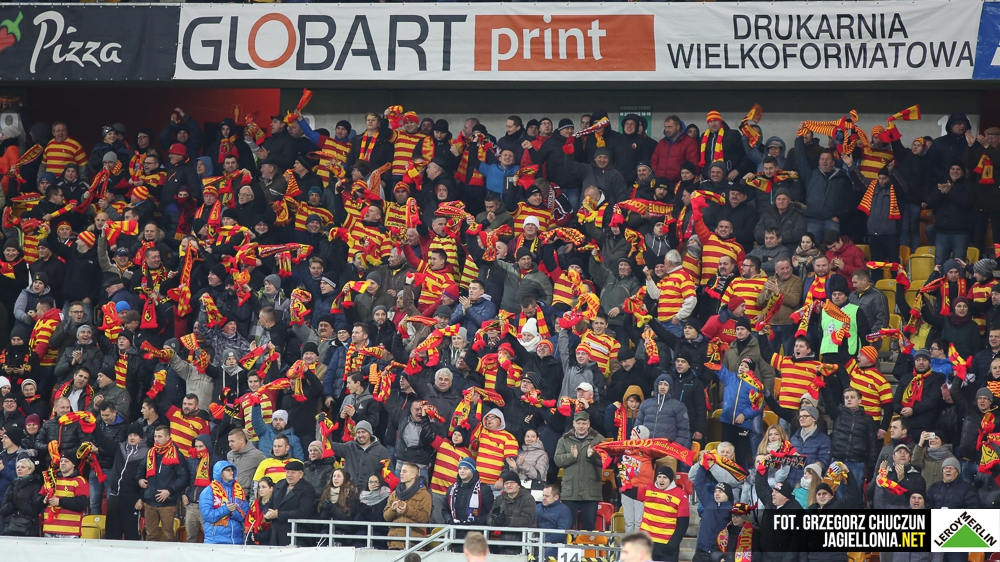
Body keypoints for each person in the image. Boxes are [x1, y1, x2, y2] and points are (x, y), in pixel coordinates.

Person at [553, 411, 604, 531]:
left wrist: (593, 456)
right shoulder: (564, 440)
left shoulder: (599, 439)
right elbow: (557, 460)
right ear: (573, 424)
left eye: (584, 423)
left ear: (588, 424)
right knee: (567, 526)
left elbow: (607, 461)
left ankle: (587, 544)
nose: (581, 426)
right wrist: (571, 457)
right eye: (578, 423)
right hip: (570, 491)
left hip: (591, 491)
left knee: (589, 527)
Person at [140, 426, 188, 542]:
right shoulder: (150, 453)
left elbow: (184, 477)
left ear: (167, 437)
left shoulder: (176, 454)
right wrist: (139, 480)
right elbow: (140, 471)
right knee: (150, 536)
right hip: (150, 502)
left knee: (168, 536)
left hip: (168, 504)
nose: (156, 439)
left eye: (160, 436)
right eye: (155, 436)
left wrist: (169, 490)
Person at [638, 465, 689, 562]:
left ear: (670, 480)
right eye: (659, 477)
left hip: (667, 547)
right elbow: (628, 491)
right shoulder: (648, 489)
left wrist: (673, 544)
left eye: (665, 477)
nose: (661, 480)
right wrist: (623, 478)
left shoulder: (681, 495)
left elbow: (683, 524)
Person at [265, 460, 317, 546]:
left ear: (301, 474)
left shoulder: (307, 489)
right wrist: (268, 513)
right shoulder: (279, 485)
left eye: (293, 472)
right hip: (275, 534)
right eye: (287, 472)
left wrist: (278, 515)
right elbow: (269, 504)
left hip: (296, 535)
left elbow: (303, 512)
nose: (289, 475)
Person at [383, 462, 432, 550]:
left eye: (404, 471)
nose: (401, 473)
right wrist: (392, 510)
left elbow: (425, 517)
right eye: (401, 471)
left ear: (413, 475)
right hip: (394, 543)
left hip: (414, 544)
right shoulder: (395, 493)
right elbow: (386, 517)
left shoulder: (424, 494)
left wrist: (407, 510)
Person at [486, 470, 537, 554]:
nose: (509, 485)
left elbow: (527, 520)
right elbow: (489, 518)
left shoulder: (528, 499)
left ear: (518, 485)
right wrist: (495, 520)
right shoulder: (499, 499)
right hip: (499, 545)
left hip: (521, 545)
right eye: (506, 483)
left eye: (512, 483)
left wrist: (505, 521)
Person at [199, 460, 248, 545]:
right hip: (215, 541)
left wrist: (233, 513)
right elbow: (208, 515)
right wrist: (226, 509)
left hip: (236, 540)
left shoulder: (239, 490)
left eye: (232, 470)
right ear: (220, 472)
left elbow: (245, 515)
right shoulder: (208, 491)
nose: (231, 472)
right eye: (228, 470)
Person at [0, 458, 44, 537]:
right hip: (10, 528)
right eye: (17, 467)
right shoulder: (12, 486)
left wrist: (18, 502)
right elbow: (2, 510)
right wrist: (12, 505)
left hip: (29, 530)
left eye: (23, 467)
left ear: (30, 470)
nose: (19, 469)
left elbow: (35, 511)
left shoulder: (36, 486)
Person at [536, 482, 573, 558]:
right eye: (543, 495)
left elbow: (561, 532)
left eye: (547, 496)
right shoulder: (537, 507)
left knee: (543, 553)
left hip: (555, 546)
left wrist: (543, 540)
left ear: (556, 497)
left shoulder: (564, 510)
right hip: (536, 542)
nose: (543, 498)